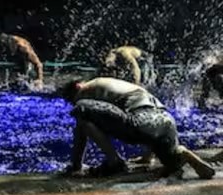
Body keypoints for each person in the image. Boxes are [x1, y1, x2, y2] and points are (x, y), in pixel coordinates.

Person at [58, 76, 216, 179]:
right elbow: (149, 118)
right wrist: (148, 156)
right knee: (172, 161)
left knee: (81, 111)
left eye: (71, 99)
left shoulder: (85, 90)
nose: (72, 102)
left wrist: (76, 166)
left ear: (77, 87)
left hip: (141, 120)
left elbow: (85, 121)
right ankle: (182, 153)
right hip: (166, 121)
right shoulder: (113, 85)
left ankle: (114, 163)